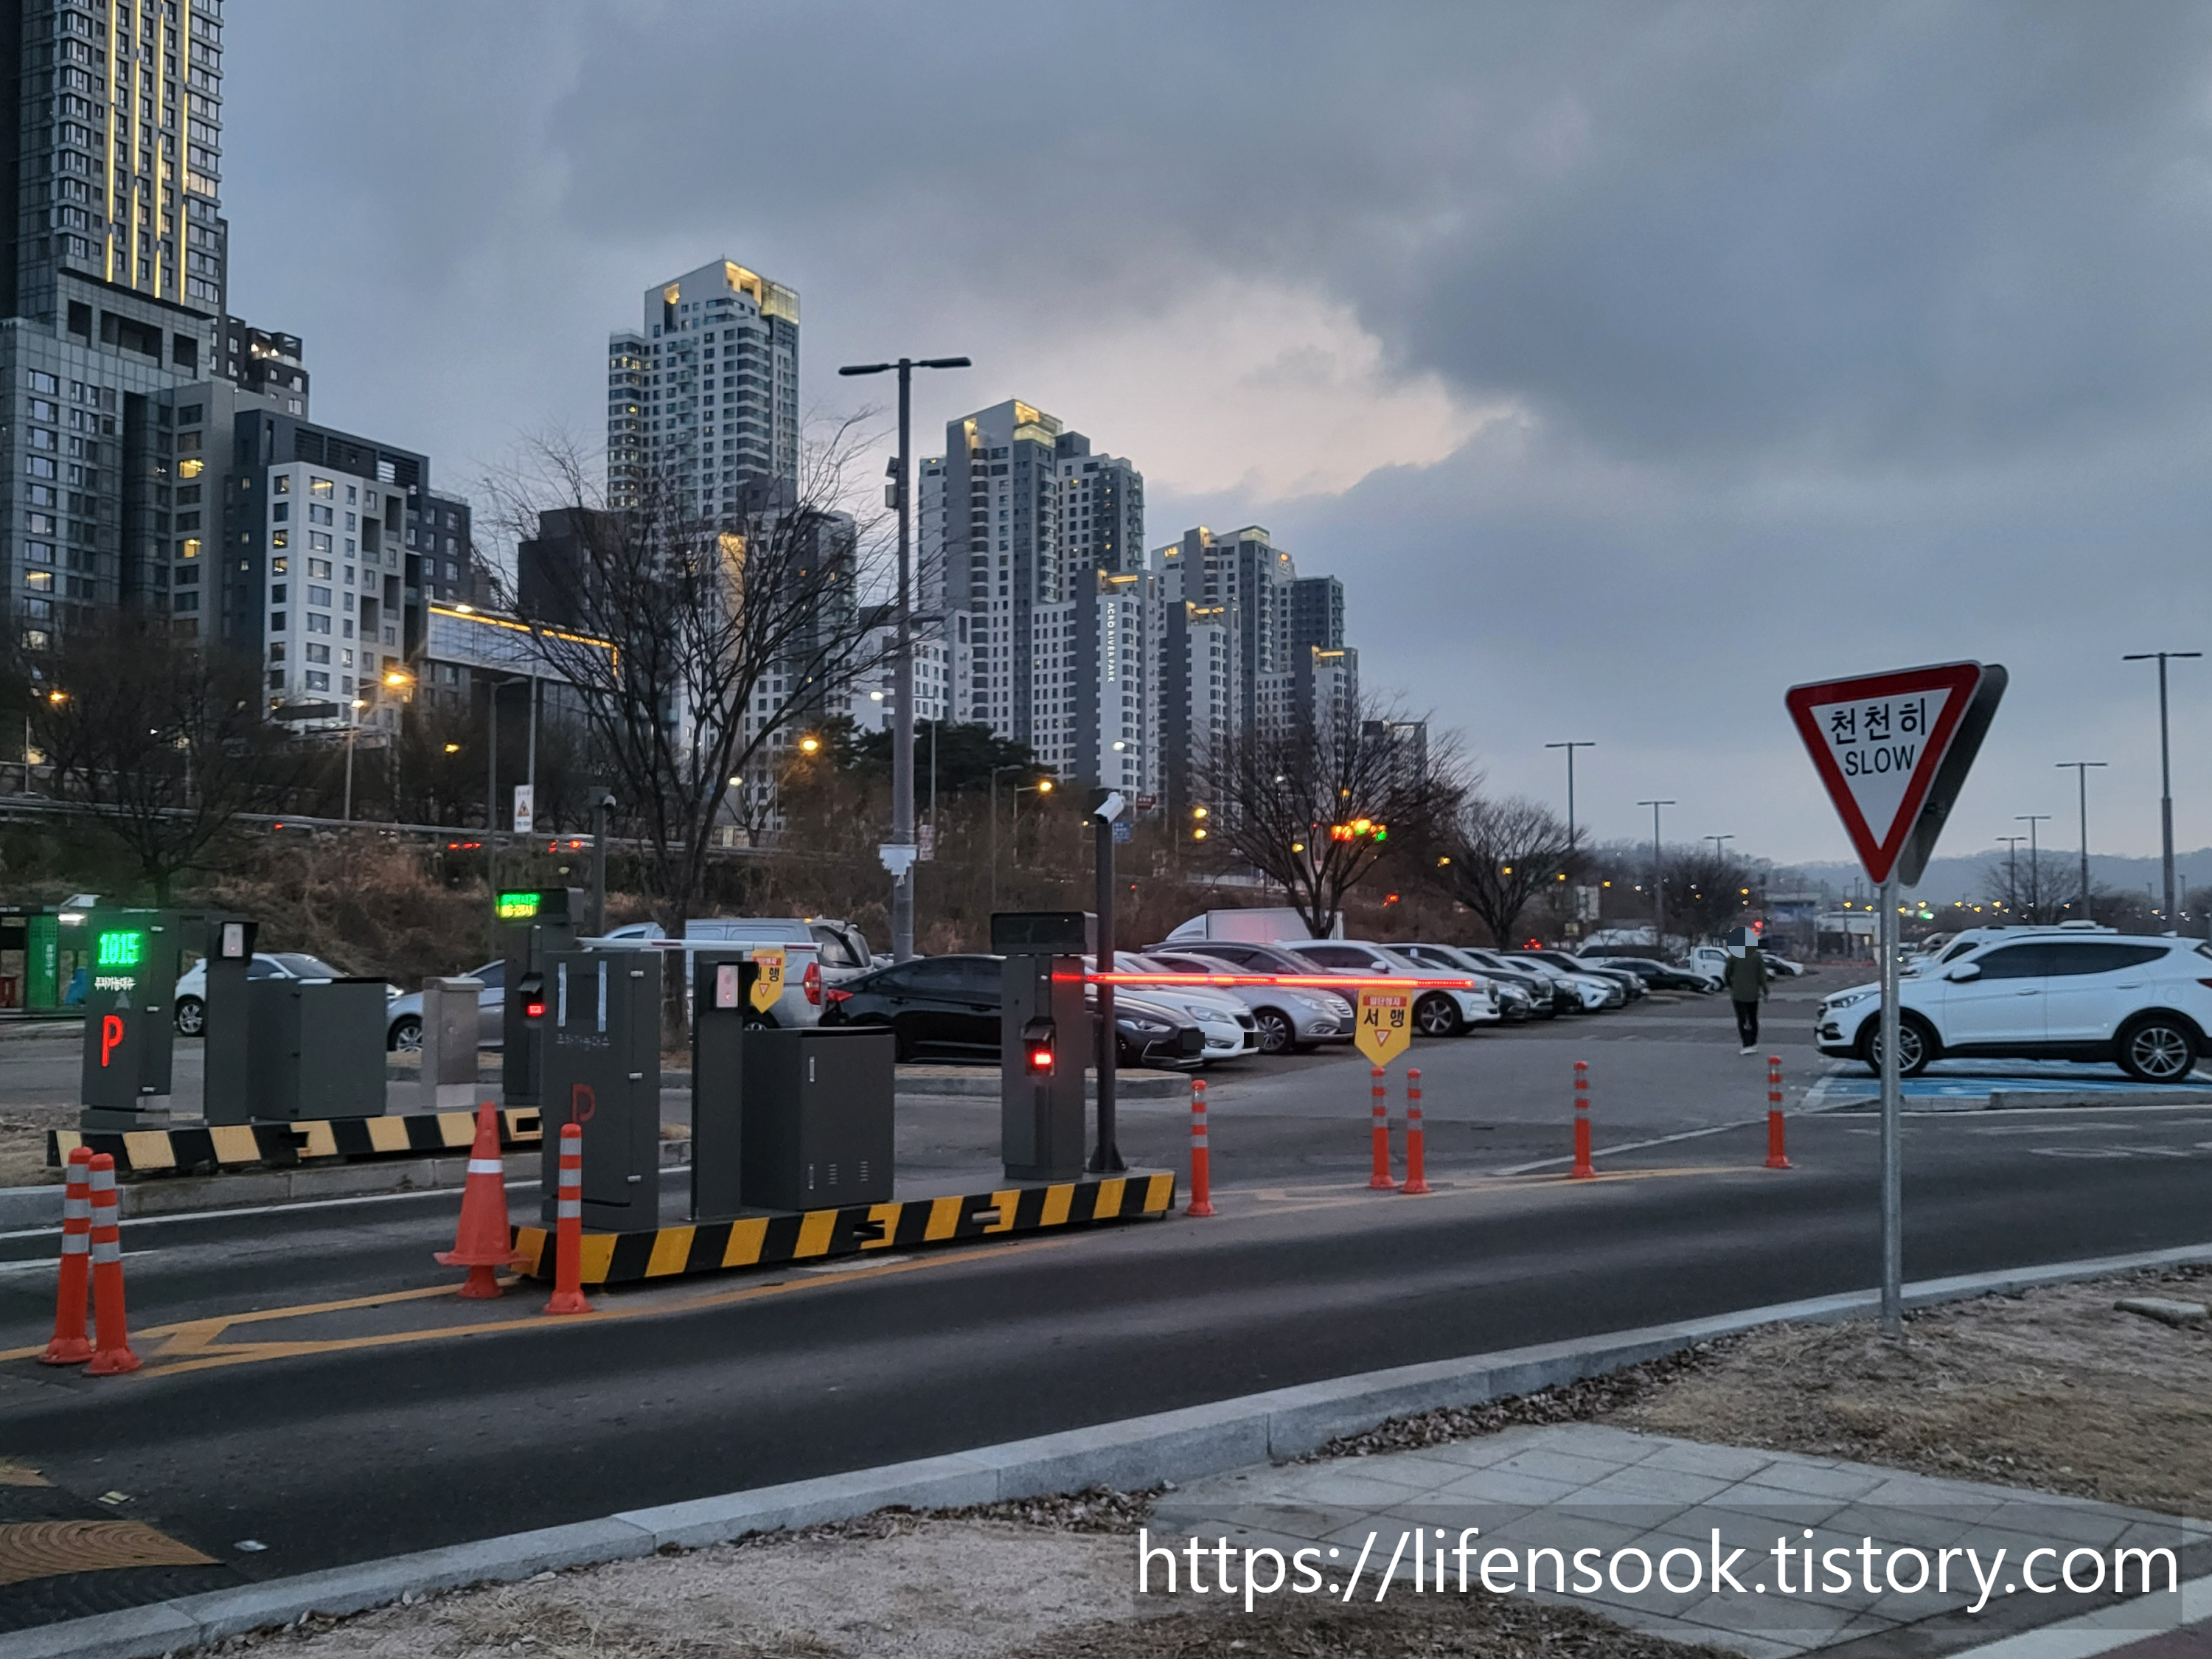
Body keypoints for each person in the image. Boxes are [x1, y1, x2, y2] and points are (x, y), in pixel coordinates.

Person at [1722, 934, 1767, 1054]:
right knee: (1753, 1018)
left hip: (1738, 993)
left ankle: (1746, 1043)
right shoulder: (1757, 956)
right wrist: (1765, 991)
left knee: (1742, 1019)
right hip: (1753, 993)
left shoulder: (1734, 956)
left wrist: (1730, 985)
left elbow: (1727, 973)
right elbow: (1762, 976)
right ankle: (1753, 1042)